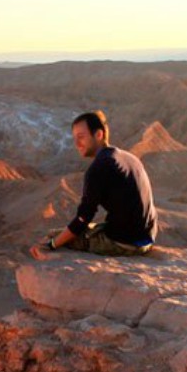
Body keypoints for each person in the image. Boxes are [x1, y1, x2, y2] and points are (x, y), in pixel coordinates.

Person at [30, 110, 158, 260]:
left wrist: (51, 245)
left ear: (99, 135)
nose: (77, 144)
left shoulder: (99, 168)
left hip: (124, 243)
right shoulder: (129, 158)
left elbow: (83, 219)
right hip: (146, 237)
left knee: (51, 237)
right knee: (60, 234)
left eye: (81, 137)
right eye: (75, 138)